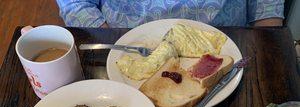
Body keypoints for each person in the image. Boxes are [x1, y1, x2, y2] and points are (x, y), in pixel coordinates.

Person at [56, 0, 284, 28]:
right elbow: (75, 3)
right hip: (127, 45)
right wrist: (113, 47)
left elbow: (267, 6)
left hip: (229, 48)